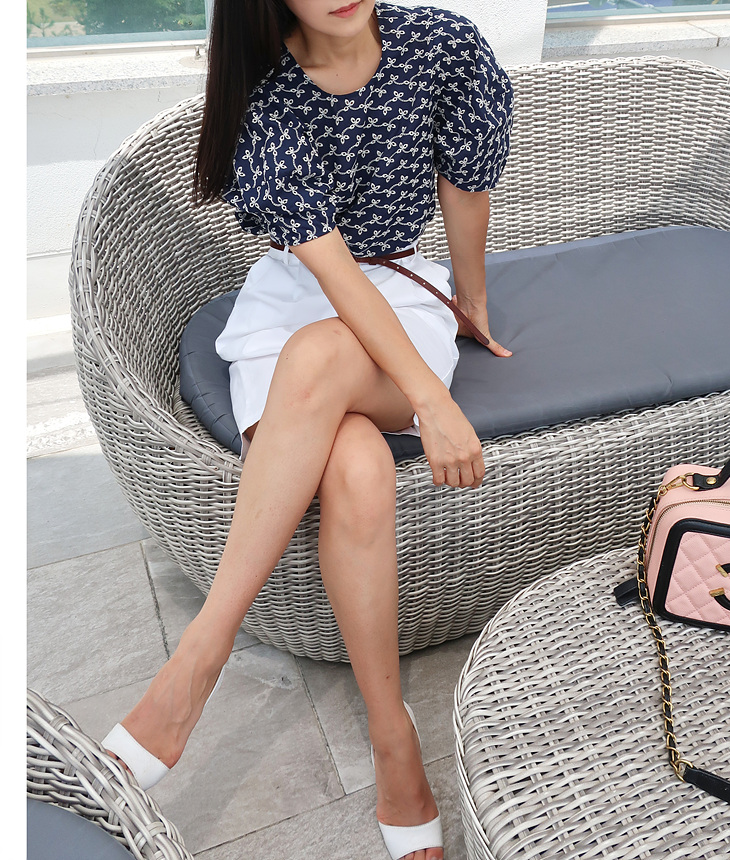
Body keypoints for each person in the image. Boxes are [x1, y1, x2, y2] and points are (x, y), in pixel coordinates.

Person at [102, 2, 513, 858]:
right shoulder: (266, 95)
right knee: (356, 466)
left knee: (322, 359)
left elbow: (465, 180)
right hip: (296, 300)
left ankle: (198, 658)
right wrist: (434, 405)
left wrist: (470, 300)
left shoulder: (442, 45)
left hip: (400, 288)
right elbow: (330, 277)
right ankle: (392, 735)